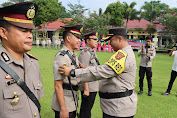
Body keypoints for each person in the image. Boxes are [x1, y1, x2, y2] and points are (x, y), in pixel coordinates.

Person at [59, 27, 138, 118]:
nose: (109, 43)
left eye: (111, 40)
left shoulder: (123, 55)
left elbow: (103, 71)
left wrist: (73, 72)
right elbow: (103, 68)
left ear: (119, 38)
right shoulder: (123, 53)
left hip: (118, 108)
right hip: (116, 107)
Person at [0, 2, 44, 118]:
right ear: (3, 32)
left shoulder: (33, 63)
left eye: (30, 31)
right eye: (24, 31)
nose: (30, 36)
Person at [51, 25, 83, 118]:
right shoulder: (62, 57)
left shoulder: (72, 55)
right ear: (68, 38)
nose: (79, 40)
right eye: (77, 37)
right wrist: (63, 108)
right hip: (65, 101)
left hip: (71, 99)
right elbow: (58, 85)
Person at [79, 31, 99, 118]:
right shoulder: (85, 53)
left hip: (93, 86)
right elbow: (83, 72)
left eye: (96, 39)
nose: (96, 41)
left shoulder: (92, 52)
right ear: (87, 41)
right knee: (85, 110)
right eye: (94, 39)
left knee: (88, 109)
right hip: (88, 87)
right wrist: (86, 89)